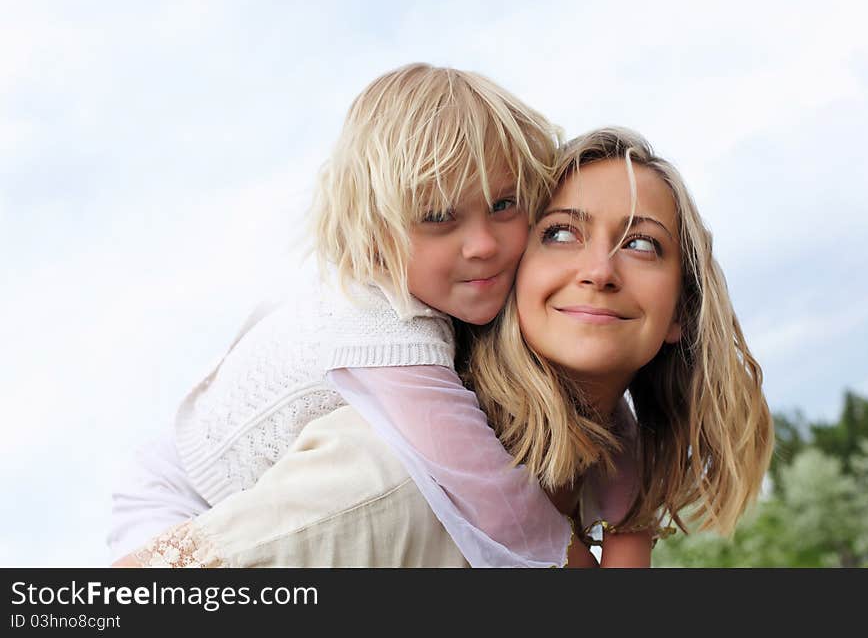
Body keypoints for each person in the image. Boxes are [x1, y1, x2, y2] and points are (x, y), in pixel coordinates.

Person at [117, 127, 774, 568]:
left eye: (640, 243)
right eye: (562, 234)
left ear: (680, 314)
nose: (599, 270)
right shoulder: (398, 475)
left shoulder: (605, 454)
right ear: (512, 274)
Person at [109, 62, 603, 568]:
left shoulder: (437, 294)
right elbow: (484, 488)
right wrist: (577, 563)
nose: (482, 244)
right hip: (183, 500)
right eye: (438, 218)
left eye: (504, 204)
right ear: (374, 235)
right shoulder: (385, 332)